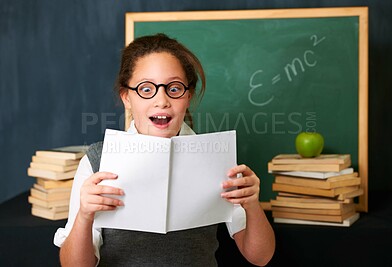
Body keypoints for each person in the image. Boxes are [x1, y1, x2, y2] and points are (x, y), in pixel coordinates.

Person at [54, 33, 275, 266]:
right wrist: (84, 216)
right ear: (127, 97)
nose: (162, 101)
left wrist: (252, 205)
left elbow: (260, 257)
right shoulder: (98, 162)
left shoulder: (216, 158)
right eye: (146, 89)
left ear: (188, 96)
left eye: (174, 88)